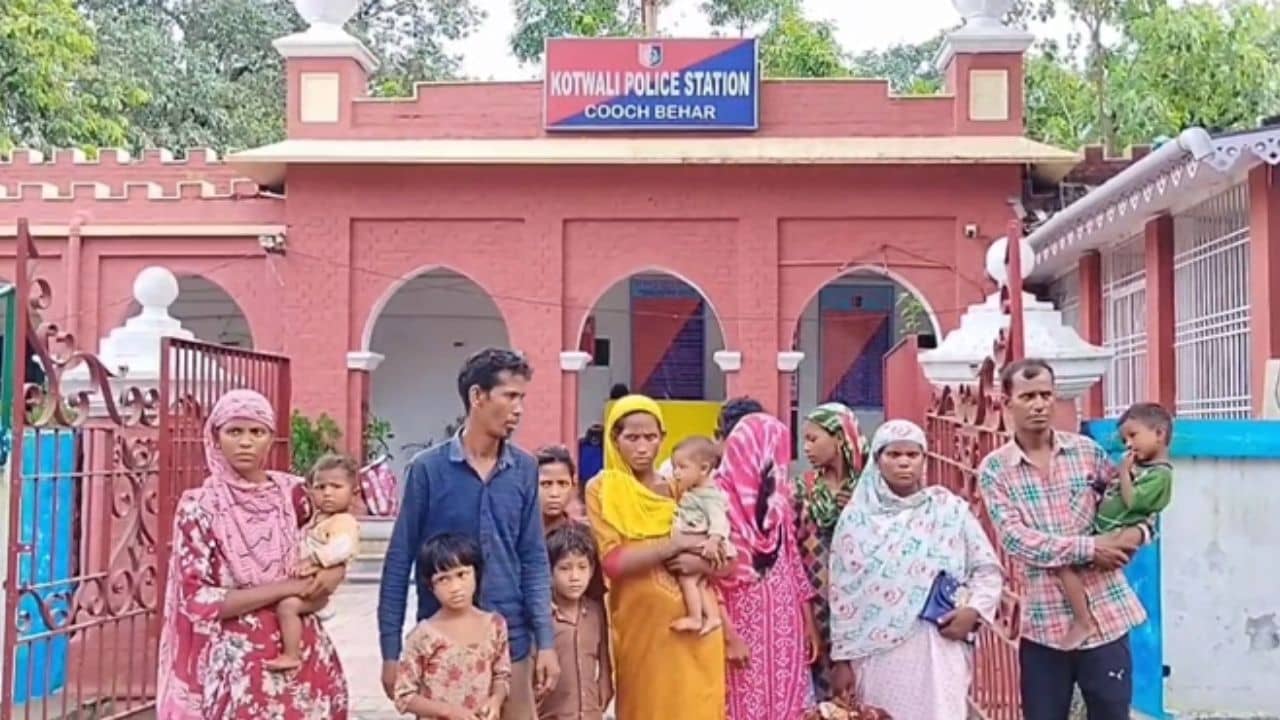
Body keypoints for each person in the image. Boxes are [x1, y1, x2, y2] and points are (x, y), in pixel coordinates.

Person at [378, 348, 559, 720]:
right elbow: (398, 561)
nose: (519, 409)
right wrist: (390, 652)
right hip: (443, 656)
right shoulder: (428, 470)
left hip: (512, 646)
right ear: (478, 396)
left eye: (522, 398)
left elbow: (533, 558)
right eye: (510, 396)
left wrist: (546, 642)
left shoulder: (525, 469)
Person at [977, 358, 1152, 720]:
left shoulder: (1087, 453)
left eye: (1045, 395)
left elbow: (1136, 505)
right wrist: (1090, 548)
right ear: (1006, 402)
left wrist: (1134, 535)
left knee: (1112, 713)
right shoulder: (996, 470)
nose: (1039, 404)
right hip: (1045, 625)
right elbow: (1016, 540)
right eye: (1027, 396)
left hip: (1106, 614)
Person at [157, 389, 348, 719]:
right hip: (236, 667)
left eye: (257, 432)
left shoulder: (295, 496)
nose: (246, 442)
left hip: (301, 654)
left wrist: (333, 572)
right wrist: (286, 588)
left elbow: (334, 539)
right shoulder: (199, 508)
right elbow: (197, 599)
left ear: (271, 438)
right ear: (216, 438)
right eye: (234, 431)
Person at [828, 420, 1004, 718]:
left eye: (912, 454)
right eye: (893, 454)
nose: (904, 462)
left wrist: (974, 610)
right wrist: (842, 659)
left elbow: (987, 569)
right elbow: (841, 593)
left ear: (924, 459)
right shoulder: (856, 519)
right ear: (877, 460)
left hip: (937, 643)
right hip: (875, 653)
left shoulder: (949, 510)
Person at [584, 394, 725, 720]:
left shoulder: (682, 488)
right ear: (614, 439)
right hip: (642, 627)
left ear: (663, 438)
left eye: (650, 437)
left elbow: (725, 555)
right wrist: (673, 546)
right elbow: (613, 562)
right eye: (632, 438)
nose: (643, 447)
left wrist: (697, 561)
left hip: (699, 628)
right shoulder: (602, 489)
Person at [715, 413, 817, 720]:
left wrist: (808, 622)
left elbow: (792, 562)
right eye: (772, 453)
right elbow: (706, 581)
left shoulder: (776, 503)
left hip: (784, 626)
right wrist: (729, 636)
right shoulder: (715, 502)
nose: (778, 463)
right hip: (738, 624)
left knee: (786, 703)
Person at [1056, 401, 1174, 649]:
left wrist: (1123, 472)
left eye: (1133, 436)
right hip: (1102, 531)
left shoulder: (1160, 475)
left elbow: (1133, 501)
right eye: (1125, 440)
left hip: (1115, 534)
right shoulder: (1141, 468)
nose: (1128, 444)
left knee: (1066, 566)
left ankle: (1084, 621)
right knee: (1072, 566)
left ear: (1159, 434)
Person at [393, 533, 510, 720]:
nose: (455, 587)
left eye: (462, 574)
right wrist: (448, 712)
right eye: (443, 579)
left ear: (476, 573)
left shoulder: (495, 625)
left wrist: (495, 700)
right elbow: (404, 697)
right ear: (430, 586)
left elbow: (502, 675)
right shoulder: (423, 636)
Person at [793, 402, 865, 700]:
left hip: (862, 603)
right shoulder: (802, 489)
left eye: (813, 439)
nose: (806, 448)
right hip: (814, 604)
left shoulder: (870, 491)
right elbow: (792, 548)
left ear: (839, 438)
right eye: (804, 440)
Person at [266, 453, 362, 672]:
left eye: (336, 487)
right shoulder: (316, 519)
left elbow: (343, 547)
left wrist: (314, 559)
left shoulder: (344, 521)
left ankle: (291, 654)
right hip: (303, 580)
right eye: (320, 487)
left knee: (287, 607)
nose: (327, 493)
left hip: (317, 589)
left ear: (353, 493)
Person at [537, 524, 613, 720]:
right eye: (565, 568)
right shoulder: (543, 616)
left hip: (590, 712)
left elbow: (603, 652)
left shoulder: (595, 612)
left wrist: (605, 681)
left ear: (592, 570)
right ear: (549, 572)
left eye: (582, 567)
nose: (575, 577)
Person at [669, 435, 734, 634]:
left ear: (704, 469)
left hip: (704, 545)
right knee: (702, 584)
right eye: (675, 467)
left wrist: (714, 540)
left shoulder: (709, 496)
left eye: (682, 467)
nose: (676, 473)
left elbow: (719, 520)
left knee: (688, 580)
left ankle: (695, 618)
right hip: (701, 543)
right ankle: (713, 617)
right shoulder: (695, 491)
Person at [536, 445, 586, 535]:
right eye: (546, 484)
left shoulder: (582, 536)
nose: (554, 493)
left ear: (573, 486)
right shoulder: (516, 532)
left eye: (562, 484)